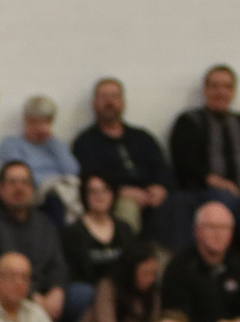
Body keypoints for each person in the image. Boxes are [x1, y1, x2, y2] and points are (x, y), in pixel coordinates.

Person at [0, 161, 76, 322]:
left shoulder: (44, 223)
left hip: (39, 293)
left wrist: (57, 292)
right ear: (0, 189)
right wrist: (31, 296)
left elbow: (58, 264)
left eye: (25, 182)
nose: (19, 188)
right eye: (12, 182)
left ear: (33, 189)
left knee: (83, 295)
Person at [72, 78, 176, 241]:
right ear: (94, 103)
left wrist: (160, 187)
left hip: (150, 194)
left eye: (114, 96)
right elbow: (90, 177)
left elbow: (162, 168)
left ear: (123, 102)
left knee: (177, 204)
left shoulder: (143, 137)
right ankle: (130, 260)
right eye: (103, 97)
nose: (109, 102)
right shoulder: (85, 142)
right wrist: (120, 190)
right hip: (117, 196)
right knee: (127, 208)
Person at [170, 64, 240, 253]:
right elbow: (183, 161)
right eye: (215, 86)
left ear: (233, 92)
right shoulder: (189, 121)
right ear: (206, 90)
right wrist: (214, 180)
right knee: (225, 199)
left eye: (227, 87)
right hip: (206, 192)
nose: (220, 92)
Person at [0, 95, 81, 224]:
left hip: (62, 192)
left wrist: (52, 141)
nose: (39, 127)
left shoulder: (55, 145)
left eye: (44, 122)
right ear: (26, 120)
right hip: (35, 192)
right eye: (34, 122)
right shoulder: (12, 144)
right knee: (55, 199)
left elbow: (72, 170)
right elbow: (20, 173)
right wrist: (50, 181)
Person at [61, 172, 135, 288]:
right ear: (84, 196)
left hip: (122, 292)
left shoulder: (124, 228)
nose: (100, 196)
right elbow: (73, 274)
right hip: (89, 293)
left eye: (105, 190)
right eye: (93, 191)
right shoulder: (73, 232)